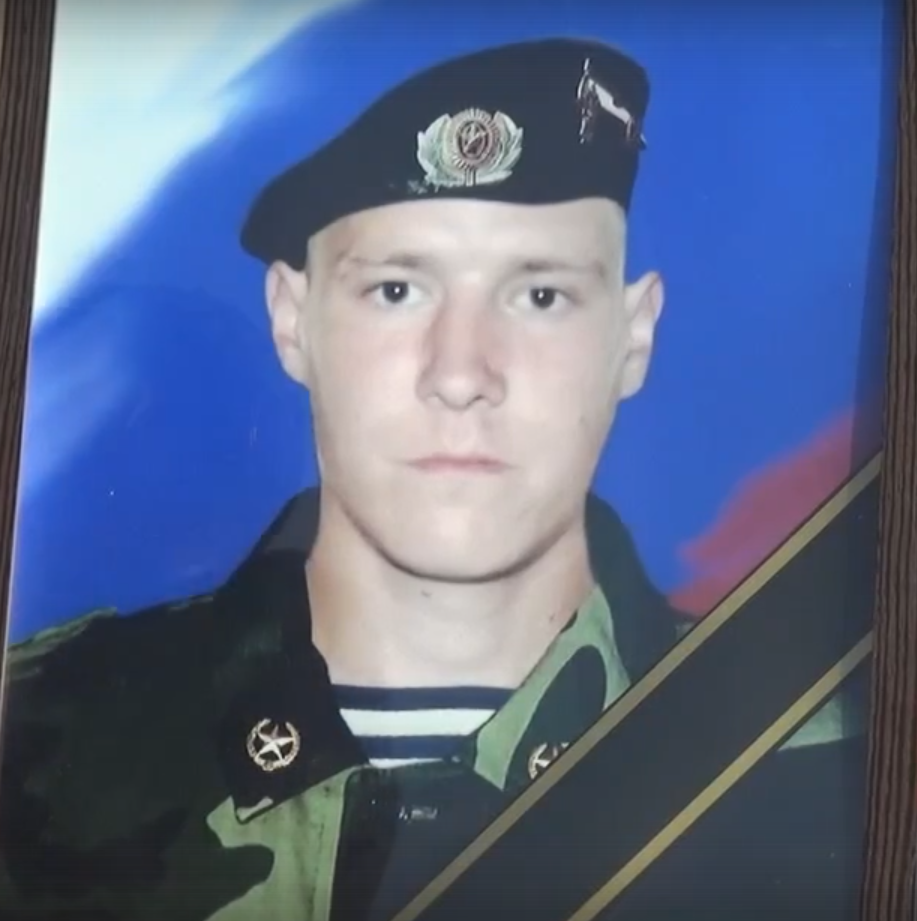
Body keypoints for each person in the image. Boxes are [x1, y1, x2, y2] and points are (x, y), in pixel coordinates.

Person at [0, 38, 867, 921]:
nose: (459, 374)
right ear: (292, 319)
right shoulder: (38, 738)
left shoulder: (818, 753)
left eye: (539, 296)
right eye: (396, 291)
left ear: (632, 338)